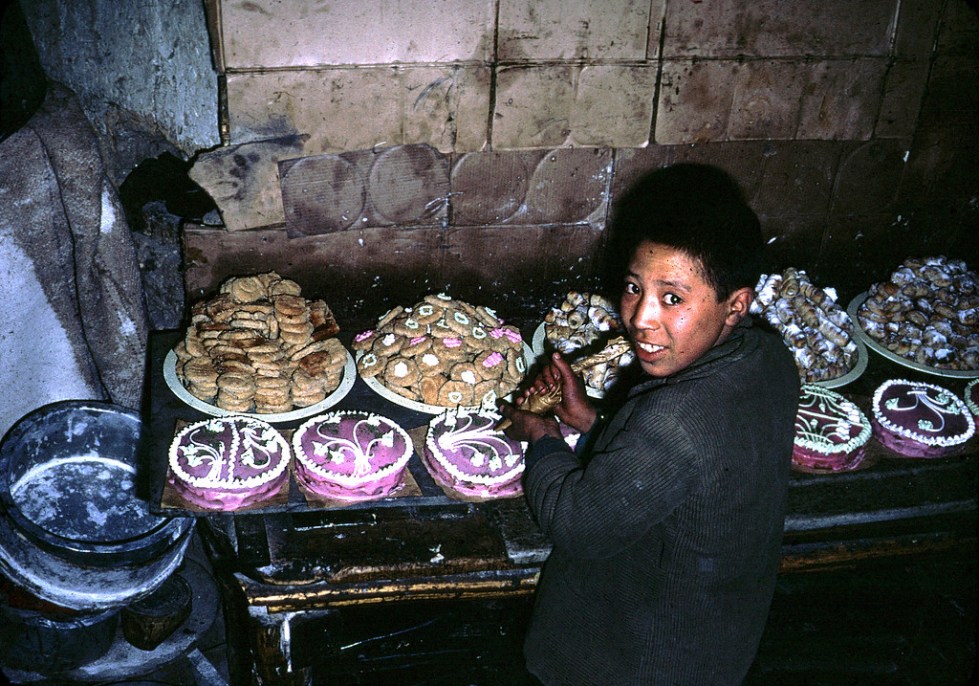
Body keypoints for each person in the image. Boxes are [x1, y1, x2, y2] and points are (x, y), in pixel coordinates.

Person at [499, 163, 800, 685]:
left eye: (673, 298)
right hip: (717, 633)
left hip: (641, 655)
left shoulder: (677, 419)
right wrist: (591, 419)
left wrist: (543, 435)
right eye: (634, 287)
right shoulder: (769, 358)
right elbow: (685, 471)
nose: (640, 318)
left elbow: (577, 521)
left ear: (736, 304)